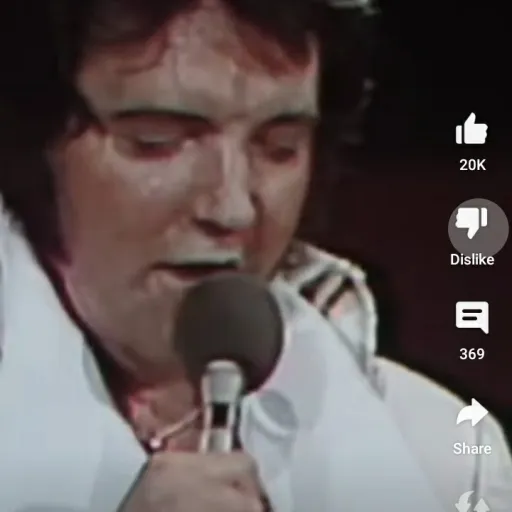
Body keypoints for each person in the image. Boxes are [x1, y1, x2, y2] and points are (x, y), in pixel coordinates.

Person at [0, 0, 510, 511]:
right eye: (158, 142)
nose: (233, 208)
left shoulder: (447, 454)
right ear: (35, 144)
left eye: (280, 147)